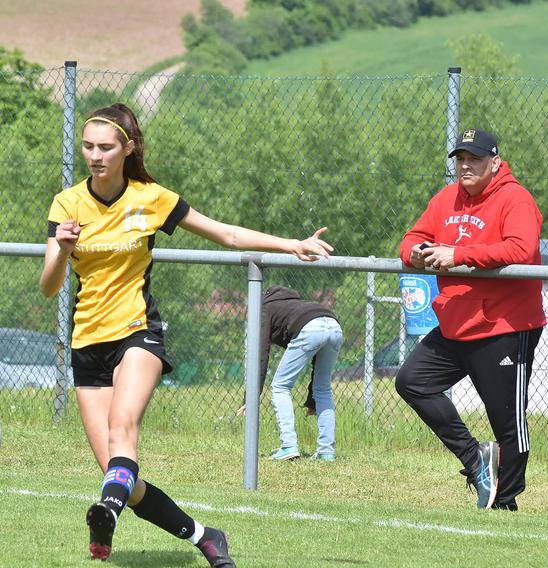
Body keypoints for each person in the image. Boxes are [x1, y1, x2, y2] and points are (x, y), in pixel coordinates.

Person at [39, 103, 333, 564]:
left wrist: (291, 244)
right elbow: (48, 285)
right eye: (88, 146)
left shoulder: (151, 197)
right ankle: (205, 536)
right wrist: (62, 248)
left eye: (106, 146)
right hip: (85, 343)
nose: (95, 155)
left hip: (138, 334)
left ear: (128, 148)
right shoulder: (67, 203)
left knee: (123, 431)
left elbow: (228, 235)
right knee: (122, 480)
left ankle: (106, 519)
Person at [395, 128, 546, 511]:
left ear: (494, 163)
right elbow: (411, 238)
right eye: (460, 159)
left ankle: (504, 502)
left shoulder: (515, 198)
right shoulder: (447, 198)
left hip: (504, 325)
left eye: (474, 159)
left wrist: (458, 255)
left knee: (507, 422)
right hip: (456, 322)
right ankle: (476, 459)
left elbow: (521, 248)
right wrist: (417, 254)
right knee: (412, 381)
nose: (465, 166)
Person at [236, 286, 342, 461]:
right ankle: (326, 451)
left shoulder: (263, 308)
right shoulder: (295, 305)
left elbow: (259, 355)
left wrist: (251, 397)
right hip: (334, 325)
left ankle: (289, 445)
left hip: (310, 328)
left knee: (280, 386)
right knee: (323, 388)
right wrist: (312, 399)